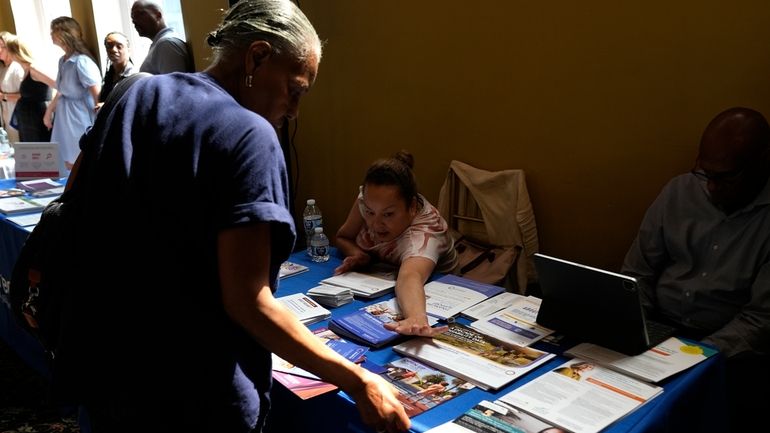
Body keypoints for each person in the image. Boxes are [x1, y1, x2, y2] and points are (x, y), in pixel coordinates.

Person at [58, 1, 410, 432]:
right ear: (257, 57)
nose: (294, 111)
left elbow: (75, 201)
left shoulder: (135, 93)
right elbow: (248, 302)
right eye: (295, 91)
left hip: (108, 372)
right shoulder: (250, 135)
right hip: (194, 398)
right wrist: (358, 381)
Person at [622, 106, 770, 431]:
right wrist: (635, 330)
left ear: (762, 163)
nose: (712, 188)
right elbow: (638, 275)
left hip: (729, 348)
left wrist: (696, 358)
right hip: (659, 328)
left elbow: (760, 320)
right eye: (705, 173)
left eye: (726, 177)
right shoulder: (679, 191)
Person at [335, 150, 458, 337]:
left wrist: (416, 318)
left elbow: (410, 275)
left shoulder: (426, 233)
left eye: (388, 214)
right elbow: (343, 237)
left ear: (412, 207)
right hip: (381, 281)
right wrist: (358, 255)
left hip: (439, 295)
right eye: (369, 212)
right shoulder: (370, 199)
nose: (375, 224)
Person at [44, 17, 101, 173]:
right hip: (64, 116)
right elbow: (61, 90)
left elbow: (97, 94)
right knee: (65, 161)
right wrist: (49, 111)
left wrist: (101, 121)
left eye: (53, 31)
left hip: (78, 116)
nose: (50, 34)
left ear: (64, 34)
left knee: (78, 158)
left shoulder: (81, 62)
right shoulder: (63, 60)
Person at [2, 33, 55, 142]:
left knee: (41, 153)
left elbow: (60, 86)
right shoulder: (26, 70)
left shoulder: (34, 69)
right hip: (27, 121)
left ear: (15, 51)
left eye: (6, 49)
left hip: (37, 119)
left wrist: (49, 111)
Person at [131, 0, 193, 74]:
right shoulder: (161, 44)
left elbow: (173, 84)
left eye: (139, 14)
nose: (134, 21)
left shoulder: (166, 44)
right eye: (133, 18)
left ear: (158, 15)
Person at [97, 31, 135, 108]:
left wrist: (107, 106)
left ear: (129, 50)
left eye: (119, 46)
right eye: (109, 46)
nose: (113, 50)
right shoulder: (109, 74)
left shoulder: (134, 76)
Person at [0, 31, 25, 143]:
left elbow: (24, 95)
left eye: (2, 47)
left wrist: (4, 96)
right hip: (6, 116)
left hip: (17, 117)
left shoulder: (17, 67)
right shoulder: (2, 68)